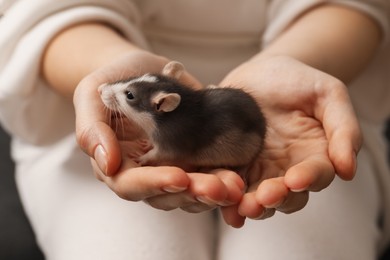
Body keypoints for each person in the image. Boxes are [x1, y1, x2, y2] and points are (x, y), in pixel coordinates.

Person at [0, 0, 389, 259]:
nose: (110, 93)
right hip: (76, 72)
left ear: (163, 105)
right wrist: (107, 66)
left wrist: (292, 61)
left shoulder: (169, 129)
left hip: (303, 113)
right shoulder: (158, 111)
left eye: (128, 95)